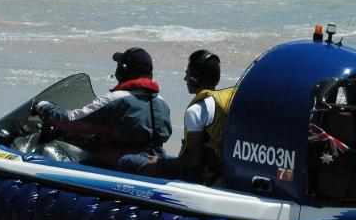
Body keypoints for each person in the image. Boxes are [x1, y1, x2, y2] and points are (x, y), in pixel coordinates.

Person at [33, 47, 171, 171]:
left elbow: (72, 121)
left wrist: (44, 108)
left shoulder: (116, 99)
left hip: (118, 164)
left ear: (122, 70)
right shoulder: (161, 103)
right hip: (151, 162)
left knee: (65, 168)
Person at [143, 49, 236, 182]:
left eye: (188, 73)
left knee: (129, 161)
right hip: (220, 171)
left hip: (199, 176)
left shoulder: (196, 110)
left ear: (194, 78)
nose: (185, 78)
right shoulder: (227, 99)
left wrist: (160, 164)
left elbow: (192, 161)